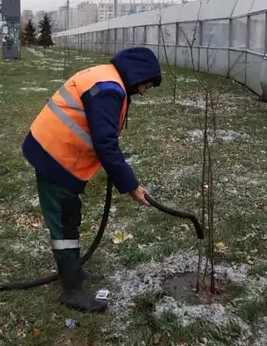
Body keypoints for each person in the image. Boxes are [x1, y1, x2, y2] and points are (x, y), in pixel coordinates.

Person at [22, 47, 162, 313]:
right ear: (138, 75)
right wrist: (131, 186)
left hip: (53, 149)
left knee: (69, 216)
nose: (146, 91)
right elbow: (105, 144)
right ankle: (71, 291)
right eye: (148, 84)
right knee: (64, 221)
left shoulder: (106, 77)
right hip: (54, 156)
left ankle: (73, 271)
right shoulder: (109, 90)